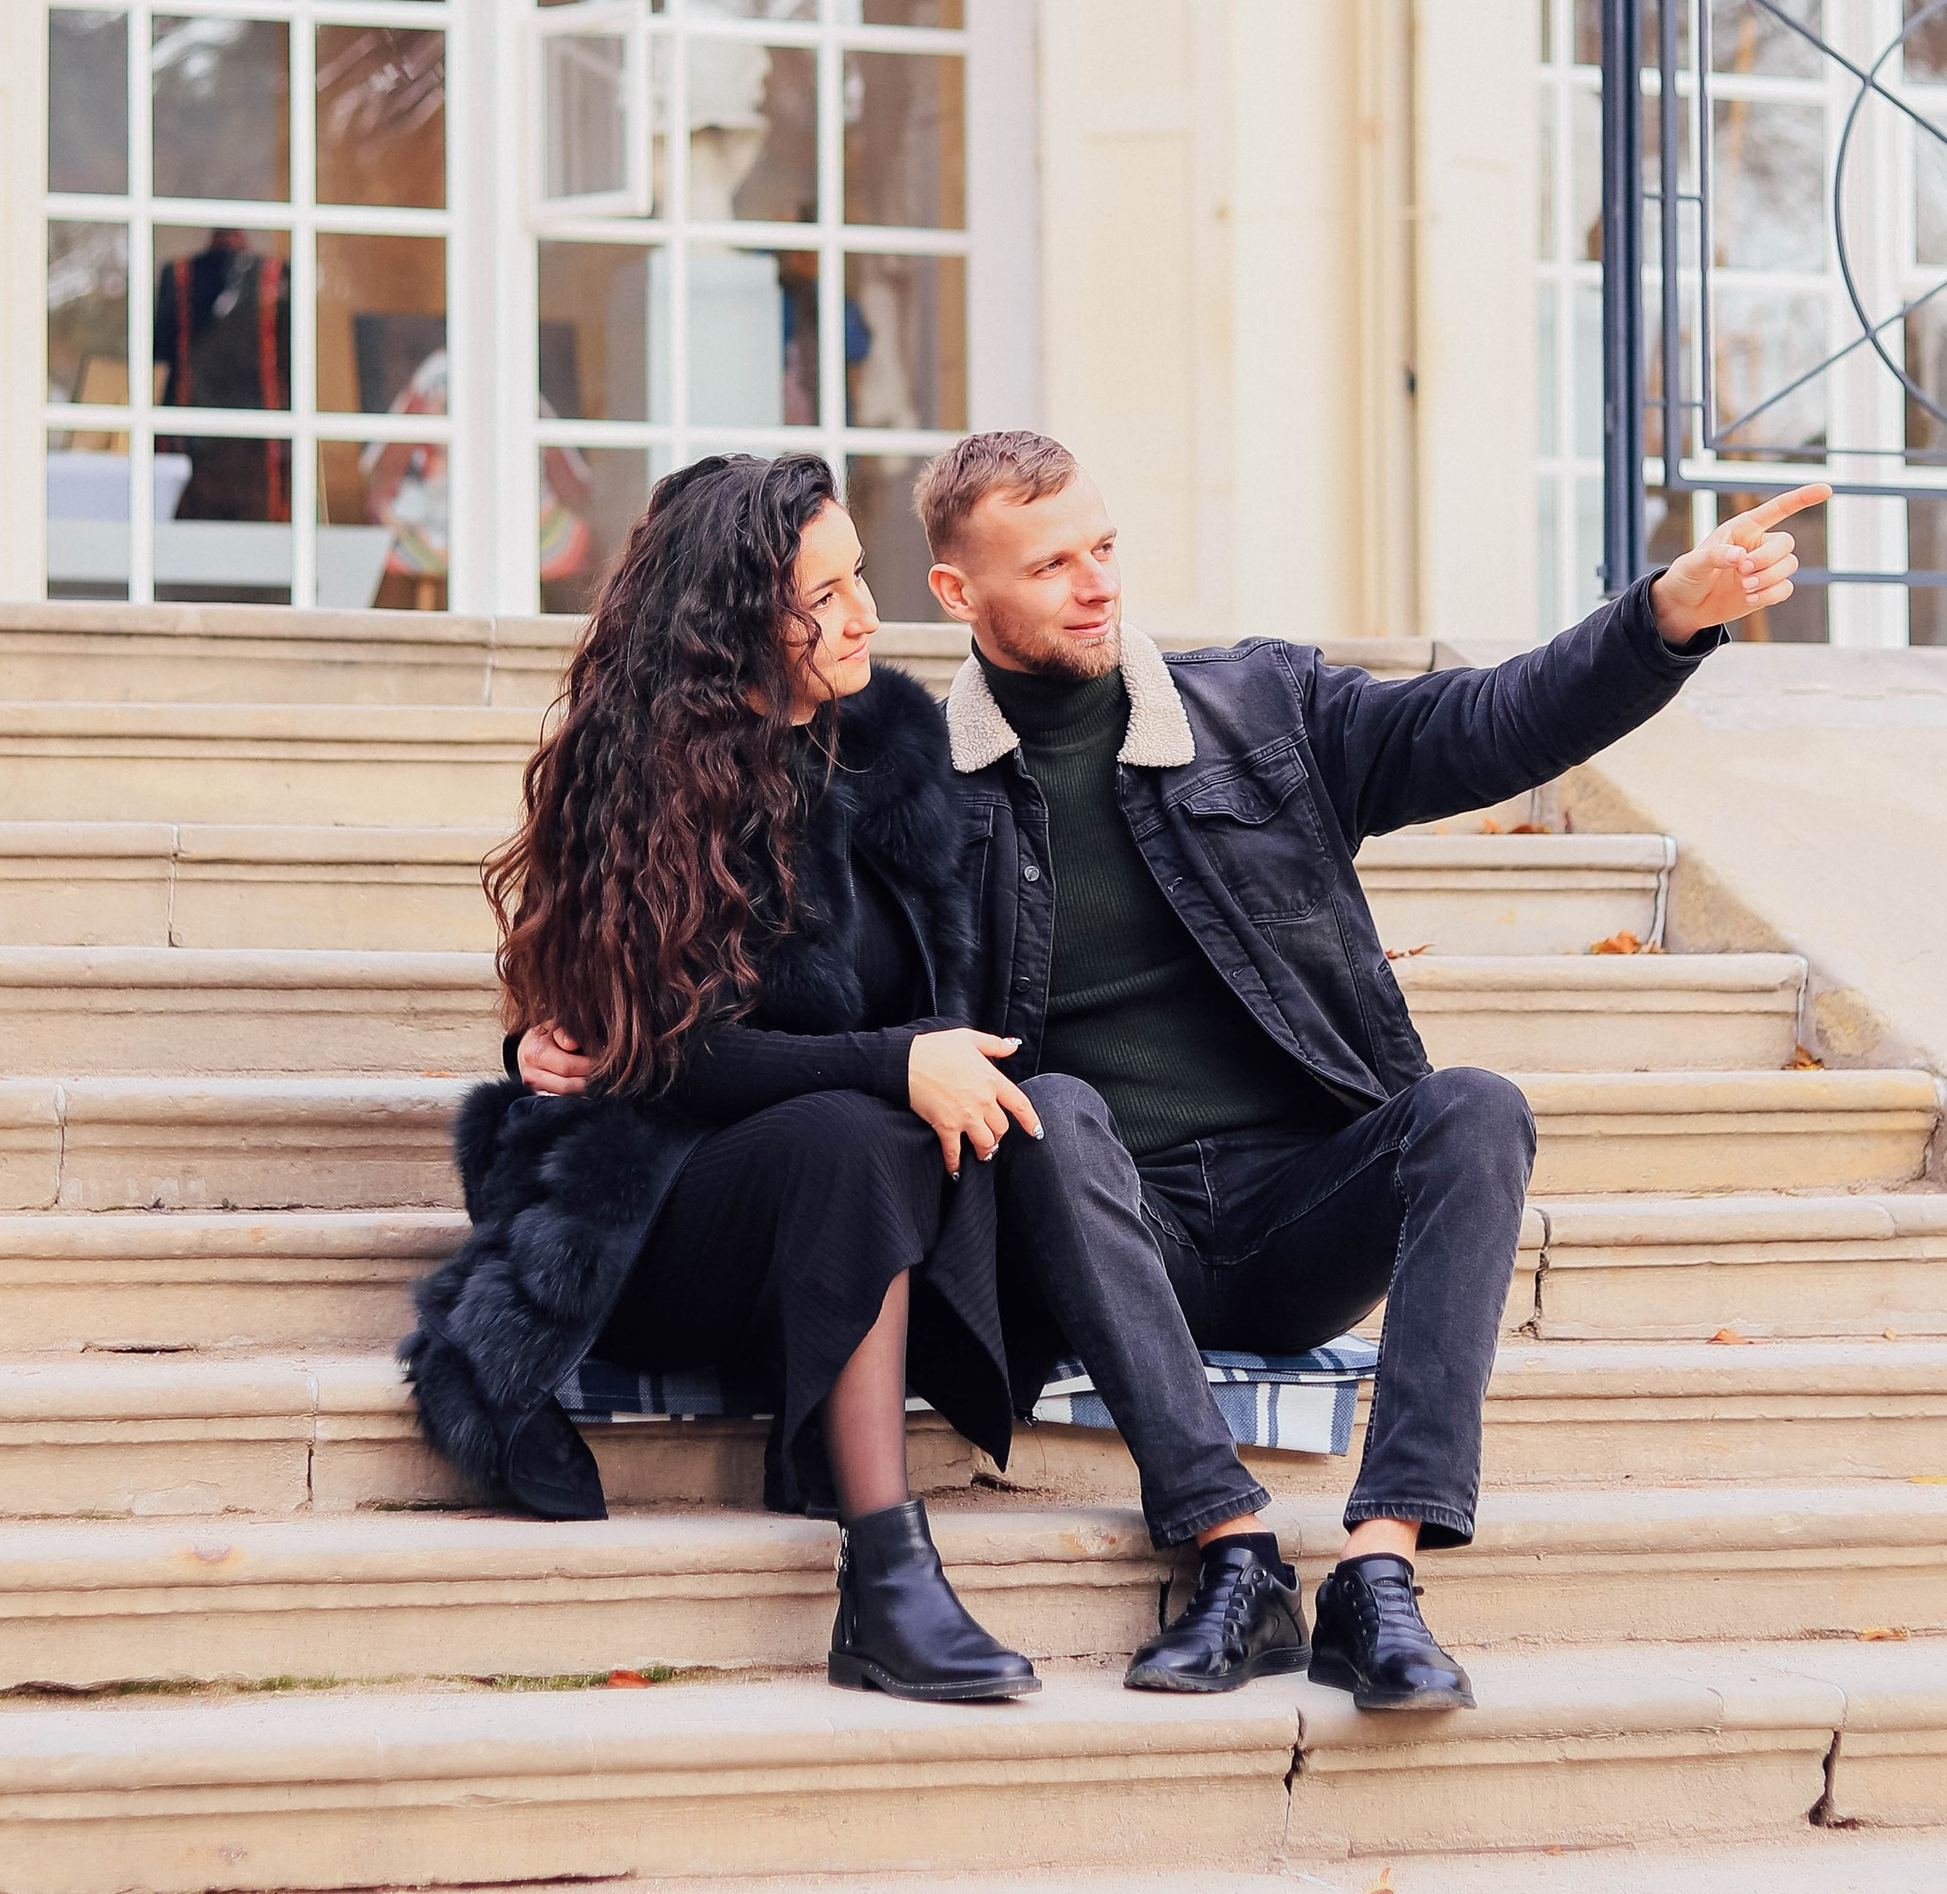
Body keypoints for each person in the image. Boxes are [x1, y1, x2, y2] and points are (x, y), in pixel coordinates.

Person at [518, 433, 1820, 1721]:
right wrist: (562, 1028)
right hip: (1086, 1220)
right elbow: (731, 957)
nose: (1097, 585)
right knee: (1054, 1107)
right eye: (1051, 565)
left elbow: (1483, 723)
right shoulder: (899, 785)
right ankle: (1233, 1555)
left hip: (1296, 1207)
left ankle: (1381, 1578)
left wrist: (1661, 621)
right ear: (960, 595)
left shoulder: (1263, 710)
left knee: (1475, 1107)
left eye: (1104, 548)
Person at [402, 450, 1054, 1707]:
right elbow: (659, 1053)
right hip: (671, 1215)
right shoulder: (639, 781)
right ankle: (886, 1580)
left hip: (857, 1209)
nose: (867, 613)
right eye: (827, 593)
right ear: (739, 617)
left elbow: (958, 1003)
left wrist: (921, 1059)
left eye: (861, 577)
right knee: (855, 1131)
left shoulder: (897, 762)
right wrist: (891, 1060)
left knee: (928, 1129)